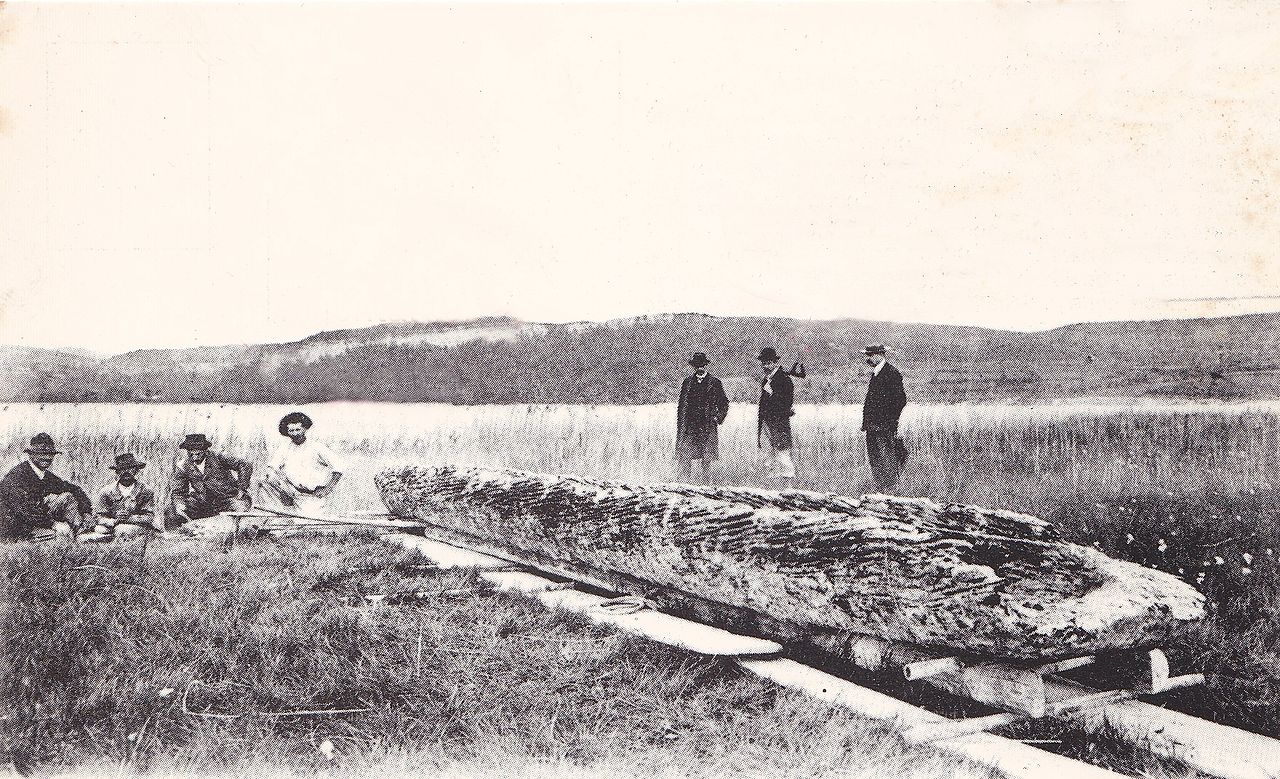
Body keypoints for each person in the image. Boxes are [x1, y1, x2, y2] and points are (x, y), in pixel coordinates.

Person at [0, 433, 92, 541]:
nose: (47, 457)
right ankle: (76, 536)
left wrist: (86, 512)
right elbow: (25, 510)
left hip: (36, 522)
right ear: (31, 455)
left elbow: (75, 490)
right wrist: (54, 524)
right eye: (41, 453)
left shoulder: (46, 476)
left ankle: (81, 531)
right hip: (16, 528)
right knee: (61, 537)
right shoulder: (17, 476)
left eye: (50, 454)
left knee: (67, 497)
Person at [260, 411, 345, 515]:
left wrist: (328, 488)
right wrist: (282, 490)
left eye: (298, 430)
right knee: (264, 481)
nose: (295, 434)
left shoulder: (316, 447)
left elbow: (339, 466)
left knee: (307, 523)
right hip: (293, 493)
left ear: (305, 429)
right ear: (287, 432)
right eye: (291, 430)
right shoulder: (285, 447)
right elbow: (272, 467)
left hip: (311, 497)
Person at [164, 434, 253, 529]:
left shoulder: (218, 457)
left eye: (198, 453)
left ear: (205, 450)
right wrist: (179, 504)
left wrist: (241, 488)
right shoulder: (183, 466)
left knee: (240, 514)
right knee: (171, 510)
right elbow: (178, 492)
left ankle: (239, 534)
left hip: (228, 499)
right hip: (204, 504)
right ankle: (175, 536)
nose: (195, 457)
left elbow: (245, 465)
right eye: (191, 453)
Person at [675, 352, 730, 482]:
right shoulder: (687, 383)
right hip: (690, 426)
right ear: (694, 366)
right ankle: (684, 485)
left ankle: (706, 486)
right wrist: (681, 424)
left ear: (705, 365)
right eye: (697, 365)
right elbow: (682, 405)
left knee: (706, 459)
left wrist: (718, 417)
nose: (699, 368)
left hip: (707, 426)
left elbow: (724, 403)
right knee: (685, 455)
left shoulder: (714, 382)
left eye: (702, 365)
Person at [861, 343, 908, 492]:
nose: (867, 359)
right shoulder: (877, 372)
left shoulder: (892, 373)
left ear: (879, 355)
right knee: (876, 459)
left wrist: (890, 422)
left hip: (883, 427)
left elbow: (900, 400)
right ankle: (881, 490)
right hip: (873, 427)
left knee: (886, 459)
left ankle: (890, 491)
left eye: (869, 355)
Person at [83, 454, 156, 541]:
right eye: (122, 469)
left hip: (137, 526)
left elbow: (149, 517)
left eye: (130, 468)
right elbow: (99, 517)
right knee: (99, 529)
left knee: (122, 530)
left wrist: (130, 518)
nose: (126, 472)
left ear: (136, 470)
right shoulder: (106, 492)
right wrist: (114, 520)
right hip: (111, 526)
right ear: (117, 472)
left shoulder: (145, 491)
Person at [757, 347, 796, 488]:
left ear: (775, 363)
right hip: (766, 423)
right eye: (763, 363)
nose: (765, 366)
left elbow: (786, 403)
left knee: (783, 454)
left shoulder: (784, 379)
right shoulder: (766, 380)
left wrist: (772, 393)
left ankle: (788, 490)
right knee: (768, 457)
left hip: (779, 424)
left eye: (768, 363)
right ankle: (772, 491)